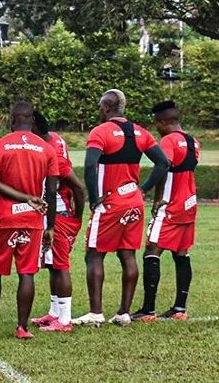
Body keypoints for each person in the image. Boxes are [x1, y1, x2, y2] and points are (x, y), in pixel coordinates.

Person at [74, 90, 169, 327]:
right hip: (134, 201)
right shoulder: (141, 132)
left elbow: (89, 167)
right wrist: (143, 189)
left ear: (106, 107)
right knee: (128, 255)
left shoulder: (100, 131)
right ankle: (123, 313)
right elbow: (163, 162)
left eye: (100, 107)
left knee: (95, 254)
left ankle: (96, 313)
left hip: (110, 203)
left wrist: (94, 198)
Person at [0, 101, 58, 339]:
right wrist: (50, 226)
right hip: (33, 220)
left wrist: (23, 197)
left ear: (11, 120)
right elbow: (51, 192)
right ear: (32, 120)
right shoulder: (47, 149)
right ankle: (22, 328)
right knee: (27, 273)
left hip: (4, 218)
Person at [134, 100, 199, 321]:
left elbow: (163, 167)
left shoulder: (168, 140)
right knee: (181, 254)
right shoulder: (193, 142)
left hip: (169, 206)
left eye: (156, 124)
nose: (156, 128)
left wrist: (152, 195)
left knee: (151, 250)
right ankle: (180, 309)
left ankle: (147, 310)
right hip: (189, 205)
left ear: (163, 122)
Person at [29, 110, 86, 332]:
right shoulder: (53, 139)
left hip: (59, 214)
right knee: (52, 265)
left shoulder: (52, 155)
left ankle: (65, 320)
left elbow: (79, 188)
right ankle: (54, 312)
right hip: (53, 213)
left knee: (60, 266)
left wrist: (78, 217)